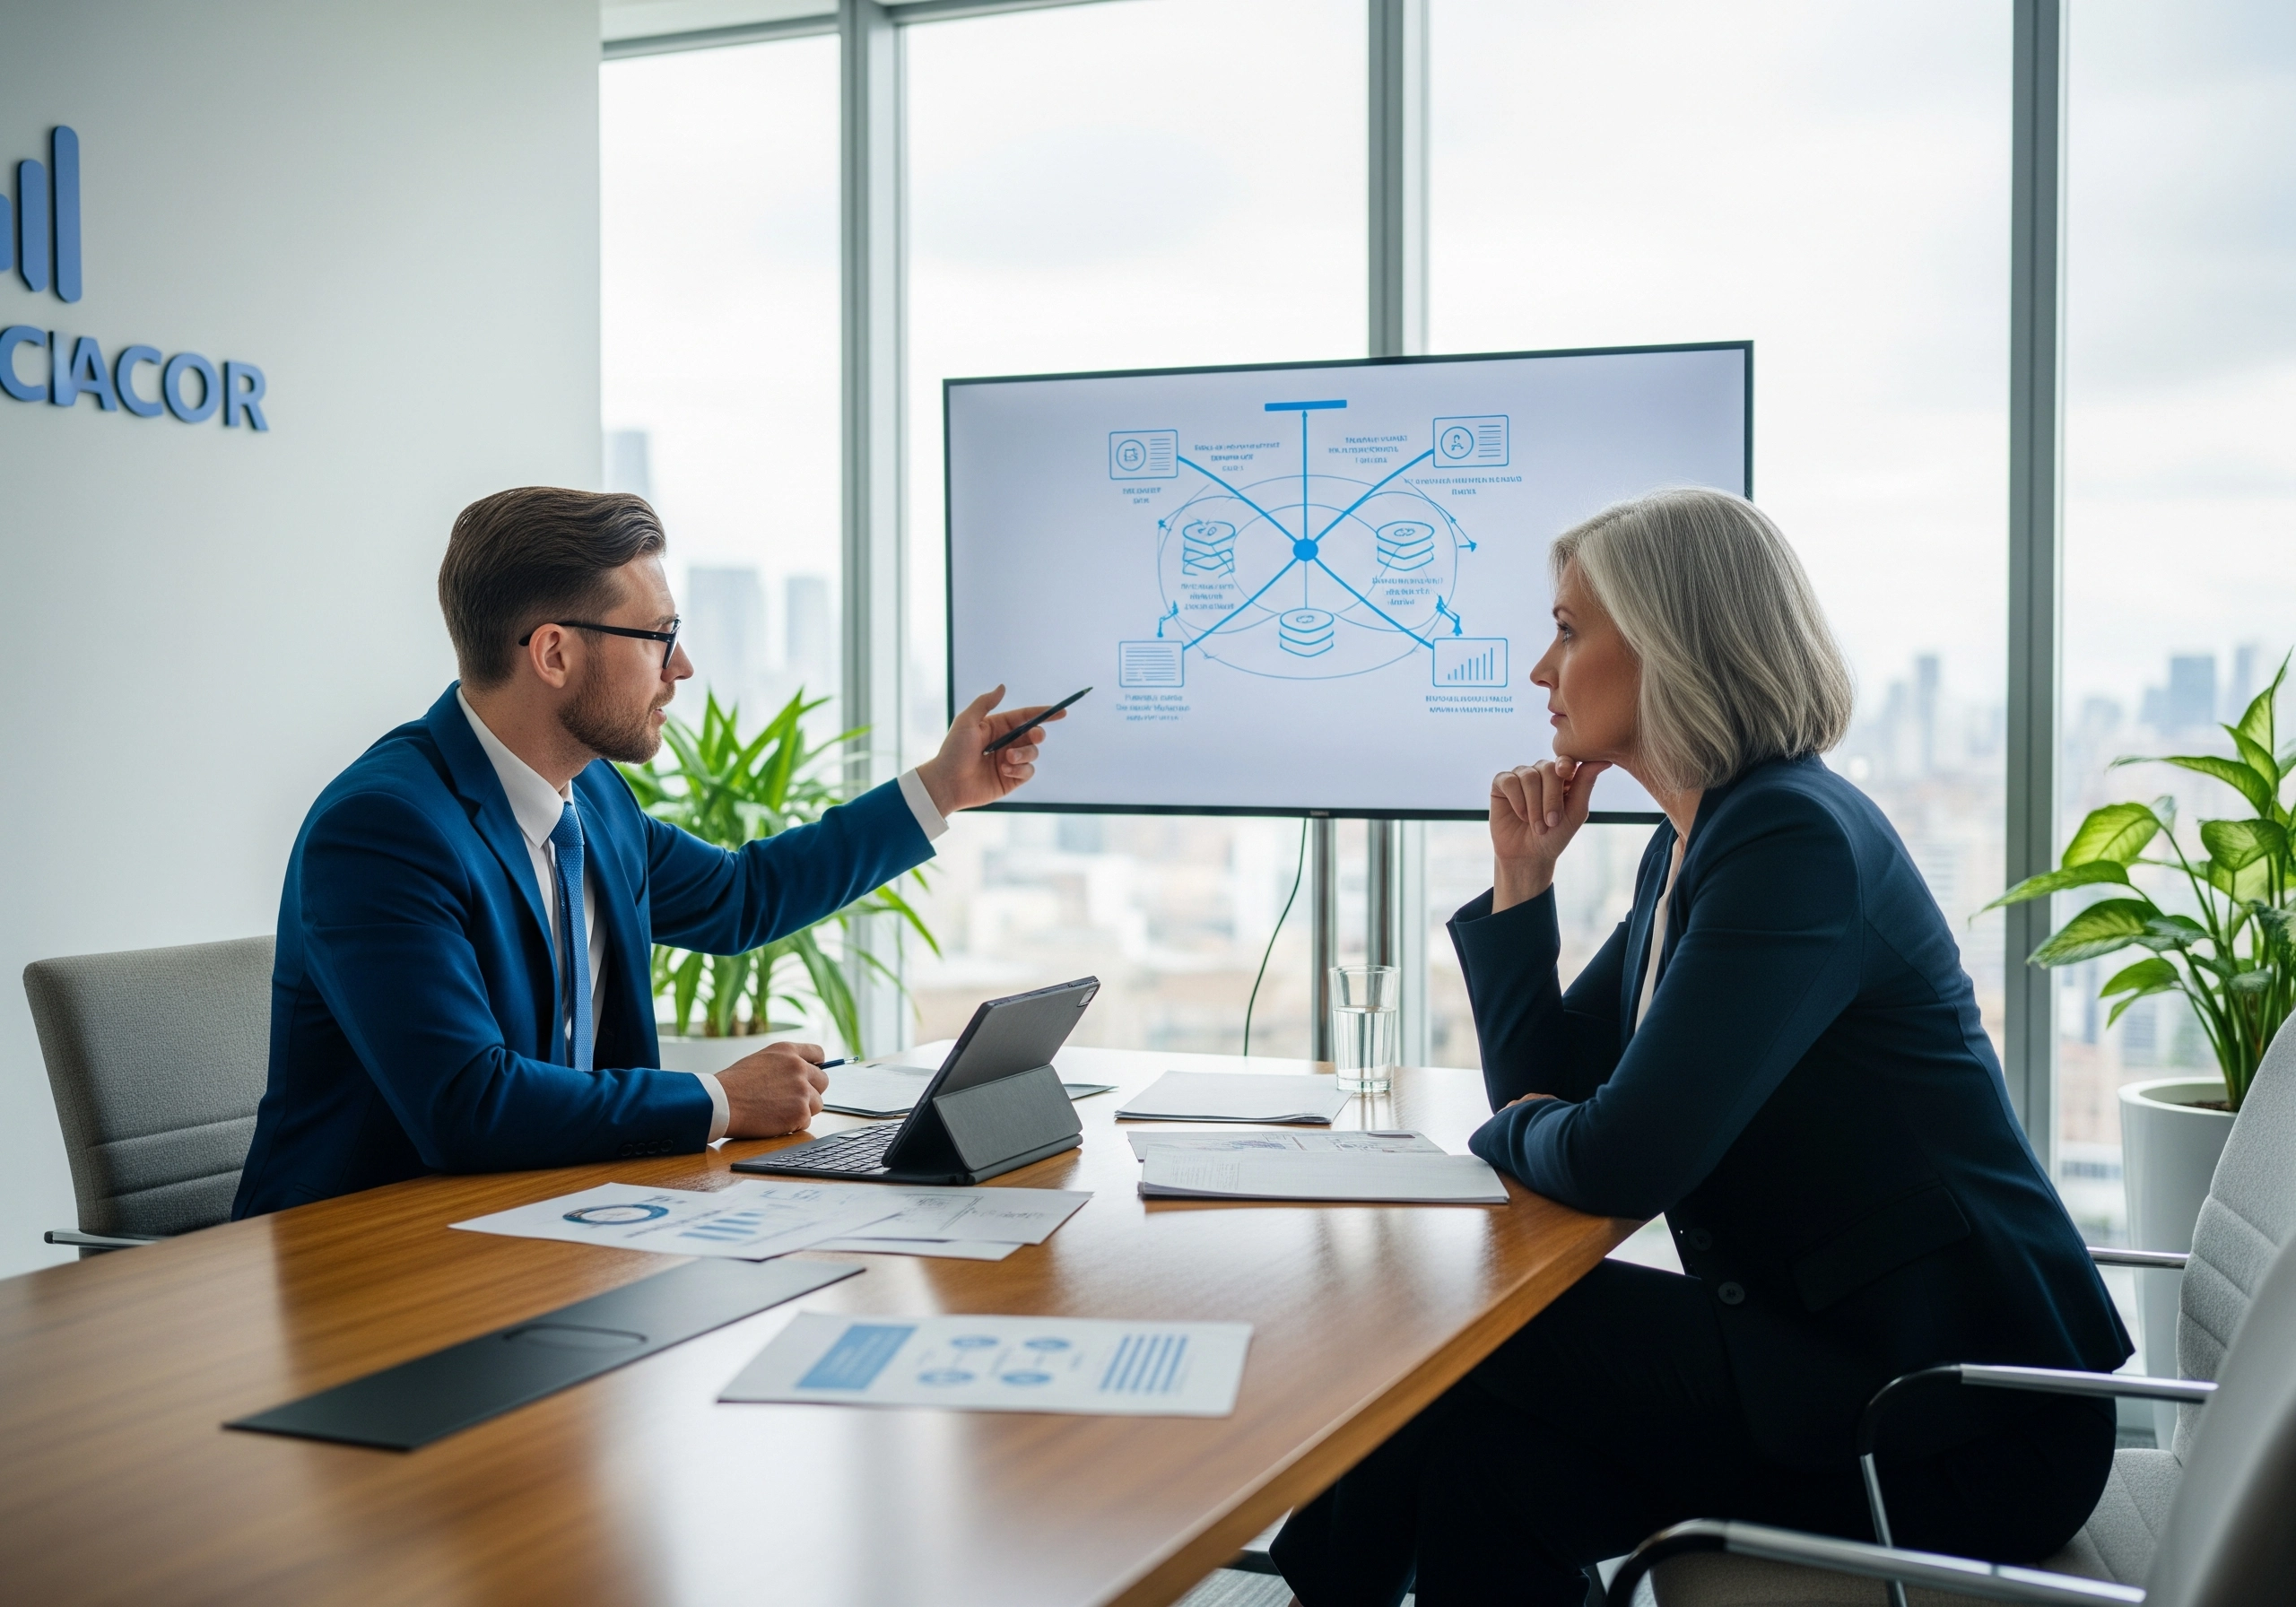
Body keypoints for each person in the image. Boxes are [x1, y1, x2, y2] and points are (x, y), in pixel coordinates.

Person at [1271, 489, 2131, 1606]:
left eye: (1570, 630)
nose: (1540, 667)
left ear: (1670, 644)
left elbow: (1619, 1153)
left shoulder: (1791, 841)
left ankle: (1309, 1592)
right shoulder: (1696, 843)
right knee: (1483, 1464)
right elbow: (1562, 1092)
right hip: (1820, 1359)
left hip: (1950, 1422)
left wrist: (1503, 1131)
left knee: (1454, 1326)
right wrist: (1522, 883)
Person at [233, 487, 1061, 1217]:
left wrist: (943, 788)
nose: (684, 667)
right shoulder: (385, 828)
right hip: (368, 1256)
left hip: (550, 1215)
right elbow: (465, 1105)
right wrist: (719, 1099)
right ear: (554, 652)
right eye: (659, 636)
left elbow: (741, 898)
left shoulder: (592, 799)